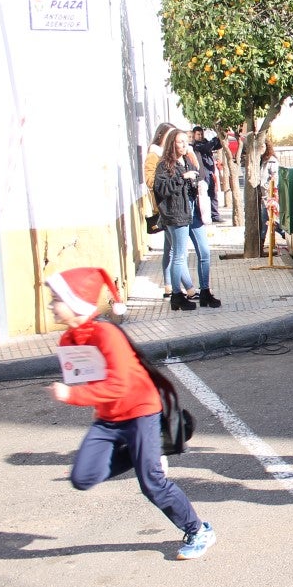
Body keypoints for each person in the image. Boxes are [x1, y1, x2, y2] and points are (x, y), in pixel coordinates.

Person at [45, 267, 216, 560]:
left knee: (152, 483)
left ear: (74, 302)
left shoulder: (106, 334)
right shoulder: (68, 342)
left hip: (140, 411)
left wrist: (71, 394)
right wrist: (80, 395)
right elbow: (87, 383)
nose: (51, 306)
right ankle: (146, 456)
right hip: (109, 419)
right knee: (83, 477)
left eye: (56, 299)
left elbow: (118, 385)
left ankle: (198, 530)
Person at [152, 130, 220, 310]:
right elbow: (161, 189)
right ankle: (177, 296)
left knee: (204, 252)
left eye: (185, 141)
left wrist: (196, 180)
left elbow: (195, 178)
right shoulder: (164, 165)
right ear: (171, 144)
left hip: (192, 212)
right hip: (176, 214)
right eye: (180, 142)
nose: (184, 145)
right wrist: (182, 178)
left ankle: (205, 292)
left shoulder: (187, 160)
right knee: (179, 256)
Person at [144, 123, 179, 299]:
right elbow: (151, 181)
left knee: (170, 247)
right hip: (164, 205)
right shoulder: (154, 155)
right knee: (172, 249)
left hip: (172, 204)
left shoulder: (168, 155)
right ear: (162, 136)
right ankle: (170, 285)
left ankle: (169, 284)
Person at [190, 126, 225, 223]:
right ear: (194, 135)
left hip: (210, 172)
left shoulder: (205, 142)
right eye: (198, 134)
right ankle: (204, 217)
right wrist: (215, 139)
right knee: (203, 196)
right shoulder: (195, 146)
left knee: (213, 194)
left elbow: (217, 145)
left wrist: (220, 136)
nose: (200, 136)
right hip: (203, 174)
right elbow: (207, 147)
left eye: (201, 134)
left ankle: (215, 215)